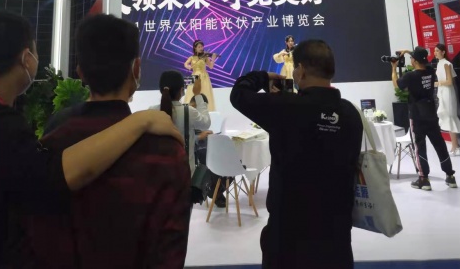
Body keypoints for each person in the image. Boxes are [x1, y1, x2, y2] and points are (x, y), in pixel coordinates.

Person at [0, 11, 183, 269]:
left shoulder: (51, 138)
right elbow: (56, 173)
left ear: (80, 72)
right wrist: (140, 122)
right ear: (27, 59)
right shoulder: (166, 150)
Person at [230, 39, 363, 269]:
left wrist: (263, 77)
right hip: (336, 233)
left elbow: (239, 94)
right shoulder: (351, 114)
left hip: (288, 233)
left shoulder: (284, 107)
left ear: (299, 70)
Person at [393, 47, 457, 190]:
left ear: (414, 61)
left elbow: (397, 85)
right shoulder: (430, 71)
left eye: (412, 58)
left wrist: (393, 68)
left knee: (420, 147)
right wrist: (408, 52)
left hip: (417, 116)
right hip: (431, 114)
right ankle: (450, 176)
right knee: (440, 144)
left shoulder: (410, 76)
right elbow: (421, 61)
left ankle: (424, 179)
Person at [153, 69, 211, 174]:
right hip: (186, 172)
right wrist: (197, 94)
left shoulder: (152, 111)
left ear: (161, 90)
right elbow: (206, 123)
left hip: (159, 172)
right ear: (181, 91)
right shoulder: (189, 112)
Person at [434, 43, 460, 156]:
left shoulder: (447, 64)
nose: (435, 53)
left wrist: (437, 83)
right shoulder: (439, 63)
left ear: (443, 52)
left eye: (437, 51)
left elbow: (450, 81)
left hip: (447, 93)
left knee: (450, 118)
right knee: (448, 118)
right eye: (435, 51)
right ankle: (455, 146)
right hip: (443, 92)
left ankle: (455, 147)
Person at [184, 39, 218, 111]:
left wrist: (213, 59)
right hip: (194, 75)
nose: (201, 48)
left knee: (205, 93)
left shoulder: (205, 57)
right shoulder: (192, 57)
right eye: (199, 47)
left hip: (204, 76)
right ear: (195, 48)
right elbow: (185, 64)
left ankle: (206, 110)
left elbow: (211, 67)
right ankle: (191, 110)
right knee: (191, 93)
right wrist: (188, 66)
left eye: (202, 47)